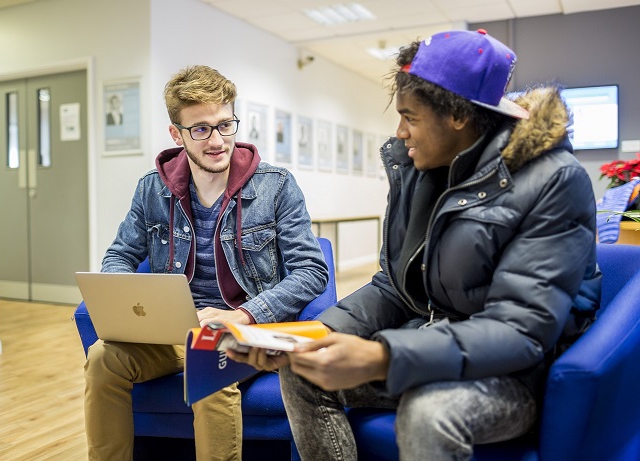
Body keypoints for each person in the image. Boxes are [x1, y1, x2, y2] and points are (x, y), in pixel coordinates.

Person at [228, 29, 601, 460]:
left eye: (411, 117)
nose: (400, 131)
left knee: (429, 411)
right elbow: (395, 286)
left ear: (458, 116)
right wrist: (315, 336)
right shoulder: (420, 169)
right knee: (302, 372)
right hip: (433, 346)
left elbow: (521, 331)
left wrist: (384, 355)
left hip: (517, 375)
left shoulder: (555, 180)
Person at [84, 65, 329, 461]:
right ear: (176, 134)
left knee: (207, 361)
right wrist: (126, 298)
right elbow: (120, 254)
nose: (217, 141)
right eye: (200, 129)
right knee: (102, 358)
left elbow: (312, 271)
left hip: (251, 331)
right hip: (177, 331)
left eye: (225, 125)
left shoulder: (276, 185)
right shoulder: (153, 188)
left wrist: (245, 315)